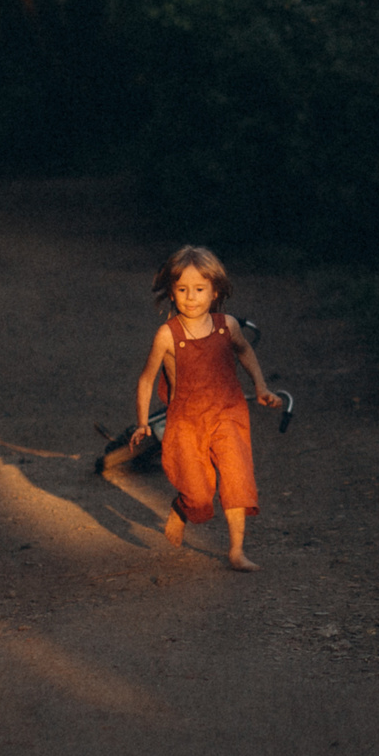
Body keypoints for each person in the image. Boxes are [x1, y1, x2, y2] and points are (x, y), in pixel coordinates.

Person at [128, 245, 280, 571]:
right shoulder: (167, 336)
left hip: (228, 412)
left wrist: (261, 385)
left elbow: (244, 351)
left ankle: (236, 551)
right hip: (186, 420)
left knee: (237, 478)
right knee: (198, 494)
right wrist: (142, 423)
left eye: (199, 289)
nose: (191, 297)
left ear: (215, 291)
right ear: (171, 292)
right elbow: (145, 380)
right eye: (182, 289)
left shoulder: (228, 326)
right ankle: (183, 507)